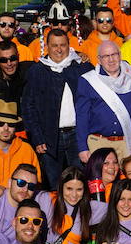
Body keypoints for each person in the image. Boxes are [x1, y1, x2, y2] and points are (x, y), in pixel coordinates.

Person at [23, 28, 92, 190]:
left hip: (77, 136)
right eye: (54, 46)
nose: (59, 50)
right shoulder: (37, 71)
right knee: (54, 185)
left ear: (69, 45)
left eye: (62, 45)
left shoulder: (81, 68)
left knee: (79, 182)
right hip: (49, 138)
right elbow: (28, 106)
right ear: (47, 46)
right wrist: (37, 138)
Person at [76, 41, 131, 163]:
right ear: (99, 59)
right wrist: (82, 147)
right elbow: (82, 116)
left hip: (127, 142)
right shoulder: (88, 80)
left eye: (114, 54)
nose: (111, 60)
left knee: (127, 181)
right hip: (98, 143)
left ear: (120, 55)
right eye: (106, 56)